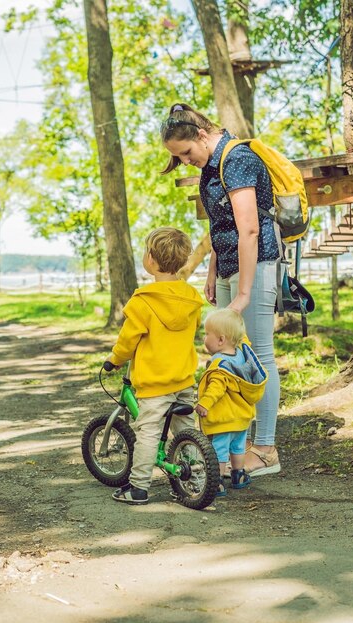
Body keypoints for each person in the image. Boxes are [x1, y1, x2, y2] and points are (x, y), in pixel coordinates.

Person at [160, 103, 281, 477]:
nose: (185, 161)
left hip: (256, 267)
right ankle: (239, 449)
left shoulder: (237, 159)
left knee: (258, 353)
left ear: (200, 134)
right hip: (229, 265)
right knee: (230, 355)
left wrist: (244, 293)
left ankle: (266, 449)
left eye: (185, 153)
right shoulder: (210, 167)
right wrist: (213, 270)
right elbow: (219, 224)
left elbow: (248, 229)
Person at [106, 227, 203, 505]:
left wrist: (115, 359)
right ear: (183, 261)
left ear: (150, 259)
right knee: (186, 432)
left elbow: (127, 341)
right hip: (184, 380)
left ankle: (138, 488)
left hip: (155, 385)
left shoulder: (143, 302)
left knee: (147, 433)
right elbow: (194, 327)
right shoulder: (191, 298)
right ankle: (196, 479)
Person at [195, 309, 268, 496]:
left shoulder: (220, 365)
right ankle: (239, 475)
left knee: (219, 450)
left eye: (206, 334)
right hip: (242, 418)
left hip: (224, 421)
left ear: (220, 340)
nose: (204, 338)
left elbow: (216, 389)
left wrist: (204, 403)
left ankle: (217, 482)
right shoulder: (243, 355)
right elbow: (244, 339)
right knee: (237, 448)